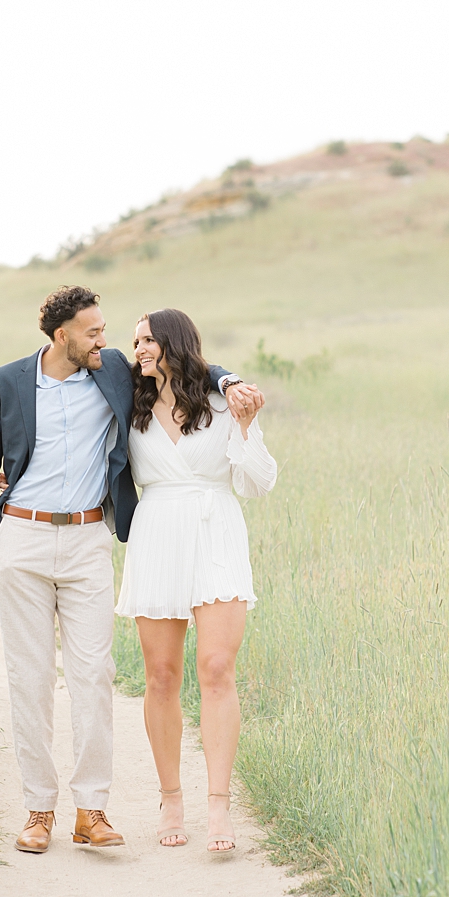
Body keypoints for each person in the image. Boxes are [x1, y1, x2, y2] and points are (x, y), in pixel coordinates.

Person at [0, 286, 260, 855]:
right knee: (29, 678)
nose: (108, 342)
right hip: (21, 538)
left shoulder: (114, 375)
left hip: (87, 539)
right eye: (95, 332)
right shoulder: (5, 382)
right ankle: (37, 810)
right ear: (62, 336)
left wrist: (228, 382)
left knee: (94, 675)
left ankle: (92, 810)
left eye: (110, 332)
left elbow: (188, 362)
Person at [114, 308, 276, 853]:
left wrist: (247, 427)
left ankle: (219, 806)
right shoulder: (128, 406)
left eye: (147, 340)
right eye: (134, 341)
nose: (137, 349)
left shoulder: (221, 403)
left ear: (174, 343)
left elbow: (257, 483)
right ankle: (171, 798)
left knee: (216, 667)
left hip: (216, 532)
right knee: (161, 675)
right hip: (157, 535)